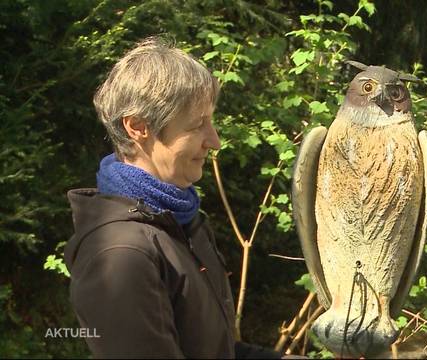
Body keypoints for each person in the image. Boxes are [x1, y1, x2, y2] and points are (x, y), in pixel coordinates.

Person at [64, 37, 282, 359]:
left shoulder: (180, 220)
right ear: (138, 127)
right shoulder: (121, 255)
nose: (215, 141)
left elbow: (217, 352)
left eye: (212, 121)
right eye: (198, 125)